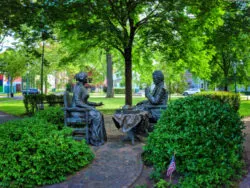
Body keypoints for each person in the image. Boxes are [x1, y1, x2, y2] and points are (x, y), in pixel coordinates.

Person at [71, 72, 107, 146]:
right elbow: (78, 102)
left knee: (98, 114)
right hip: (77, 111)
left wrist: (96, 104)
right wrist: (90, 108)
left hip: (82, 109)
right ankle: (95, 139)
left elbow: (85, 102)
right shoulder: (78, 87)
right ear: (82, 78)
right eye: (86, 77)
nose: (87, 79)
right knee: (97, 115)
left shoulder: (81, 87)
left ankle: (97, 137)